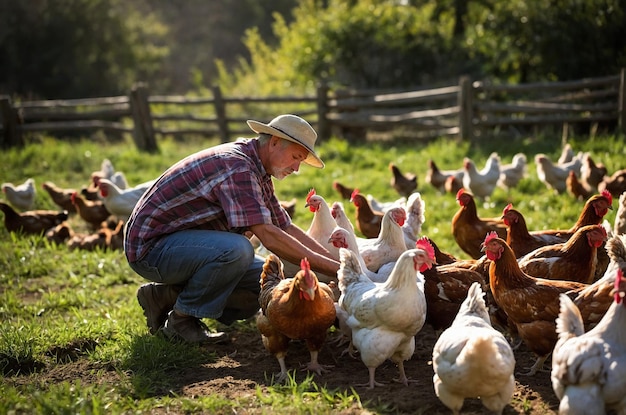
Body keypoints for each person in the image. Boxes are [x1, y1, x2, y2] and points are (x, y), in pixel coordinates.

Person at [124, 114, 340, 344]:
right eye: (296, 157)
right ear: (275, 142)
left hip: (179, 245)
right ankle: (181, 321)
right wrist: (337, 270)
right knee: (237, 250)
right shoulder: (238, 167)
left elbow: (284, 226)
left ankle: (164, 296)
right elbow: (270, 236)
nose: (297, 168)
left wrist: (337, 263)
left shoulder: (257, 168)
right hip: (151, 250)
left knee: (266, 286)